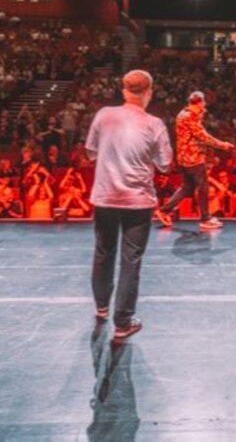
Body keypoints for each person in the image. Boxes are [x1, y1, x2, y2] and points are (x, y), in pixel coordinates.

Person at [86, 70, 172, 340]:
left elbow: (91, 152)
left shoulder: (103, 115)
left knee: (103, 252)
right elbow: (166, 164)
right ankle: (123, 322)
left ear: (124, 91)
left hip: (106, 196)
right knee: (130, 260)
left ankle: (101, 306)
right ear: (149, 92)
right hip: (137, 201)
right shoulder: (154, 123)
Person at [154, 91, 233, 230]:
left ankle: (164, 210)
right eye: (203, 103)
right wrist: (222, 145)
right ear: (200, 102)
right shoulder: (190, 116)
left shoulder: (184, 113)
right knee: (203, 187)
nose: (204, 106)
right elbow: (203, 136)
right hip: (193, 158)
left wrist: (200, 115)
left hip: (184, 157)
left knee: (187, 187)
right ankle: (205, 219)